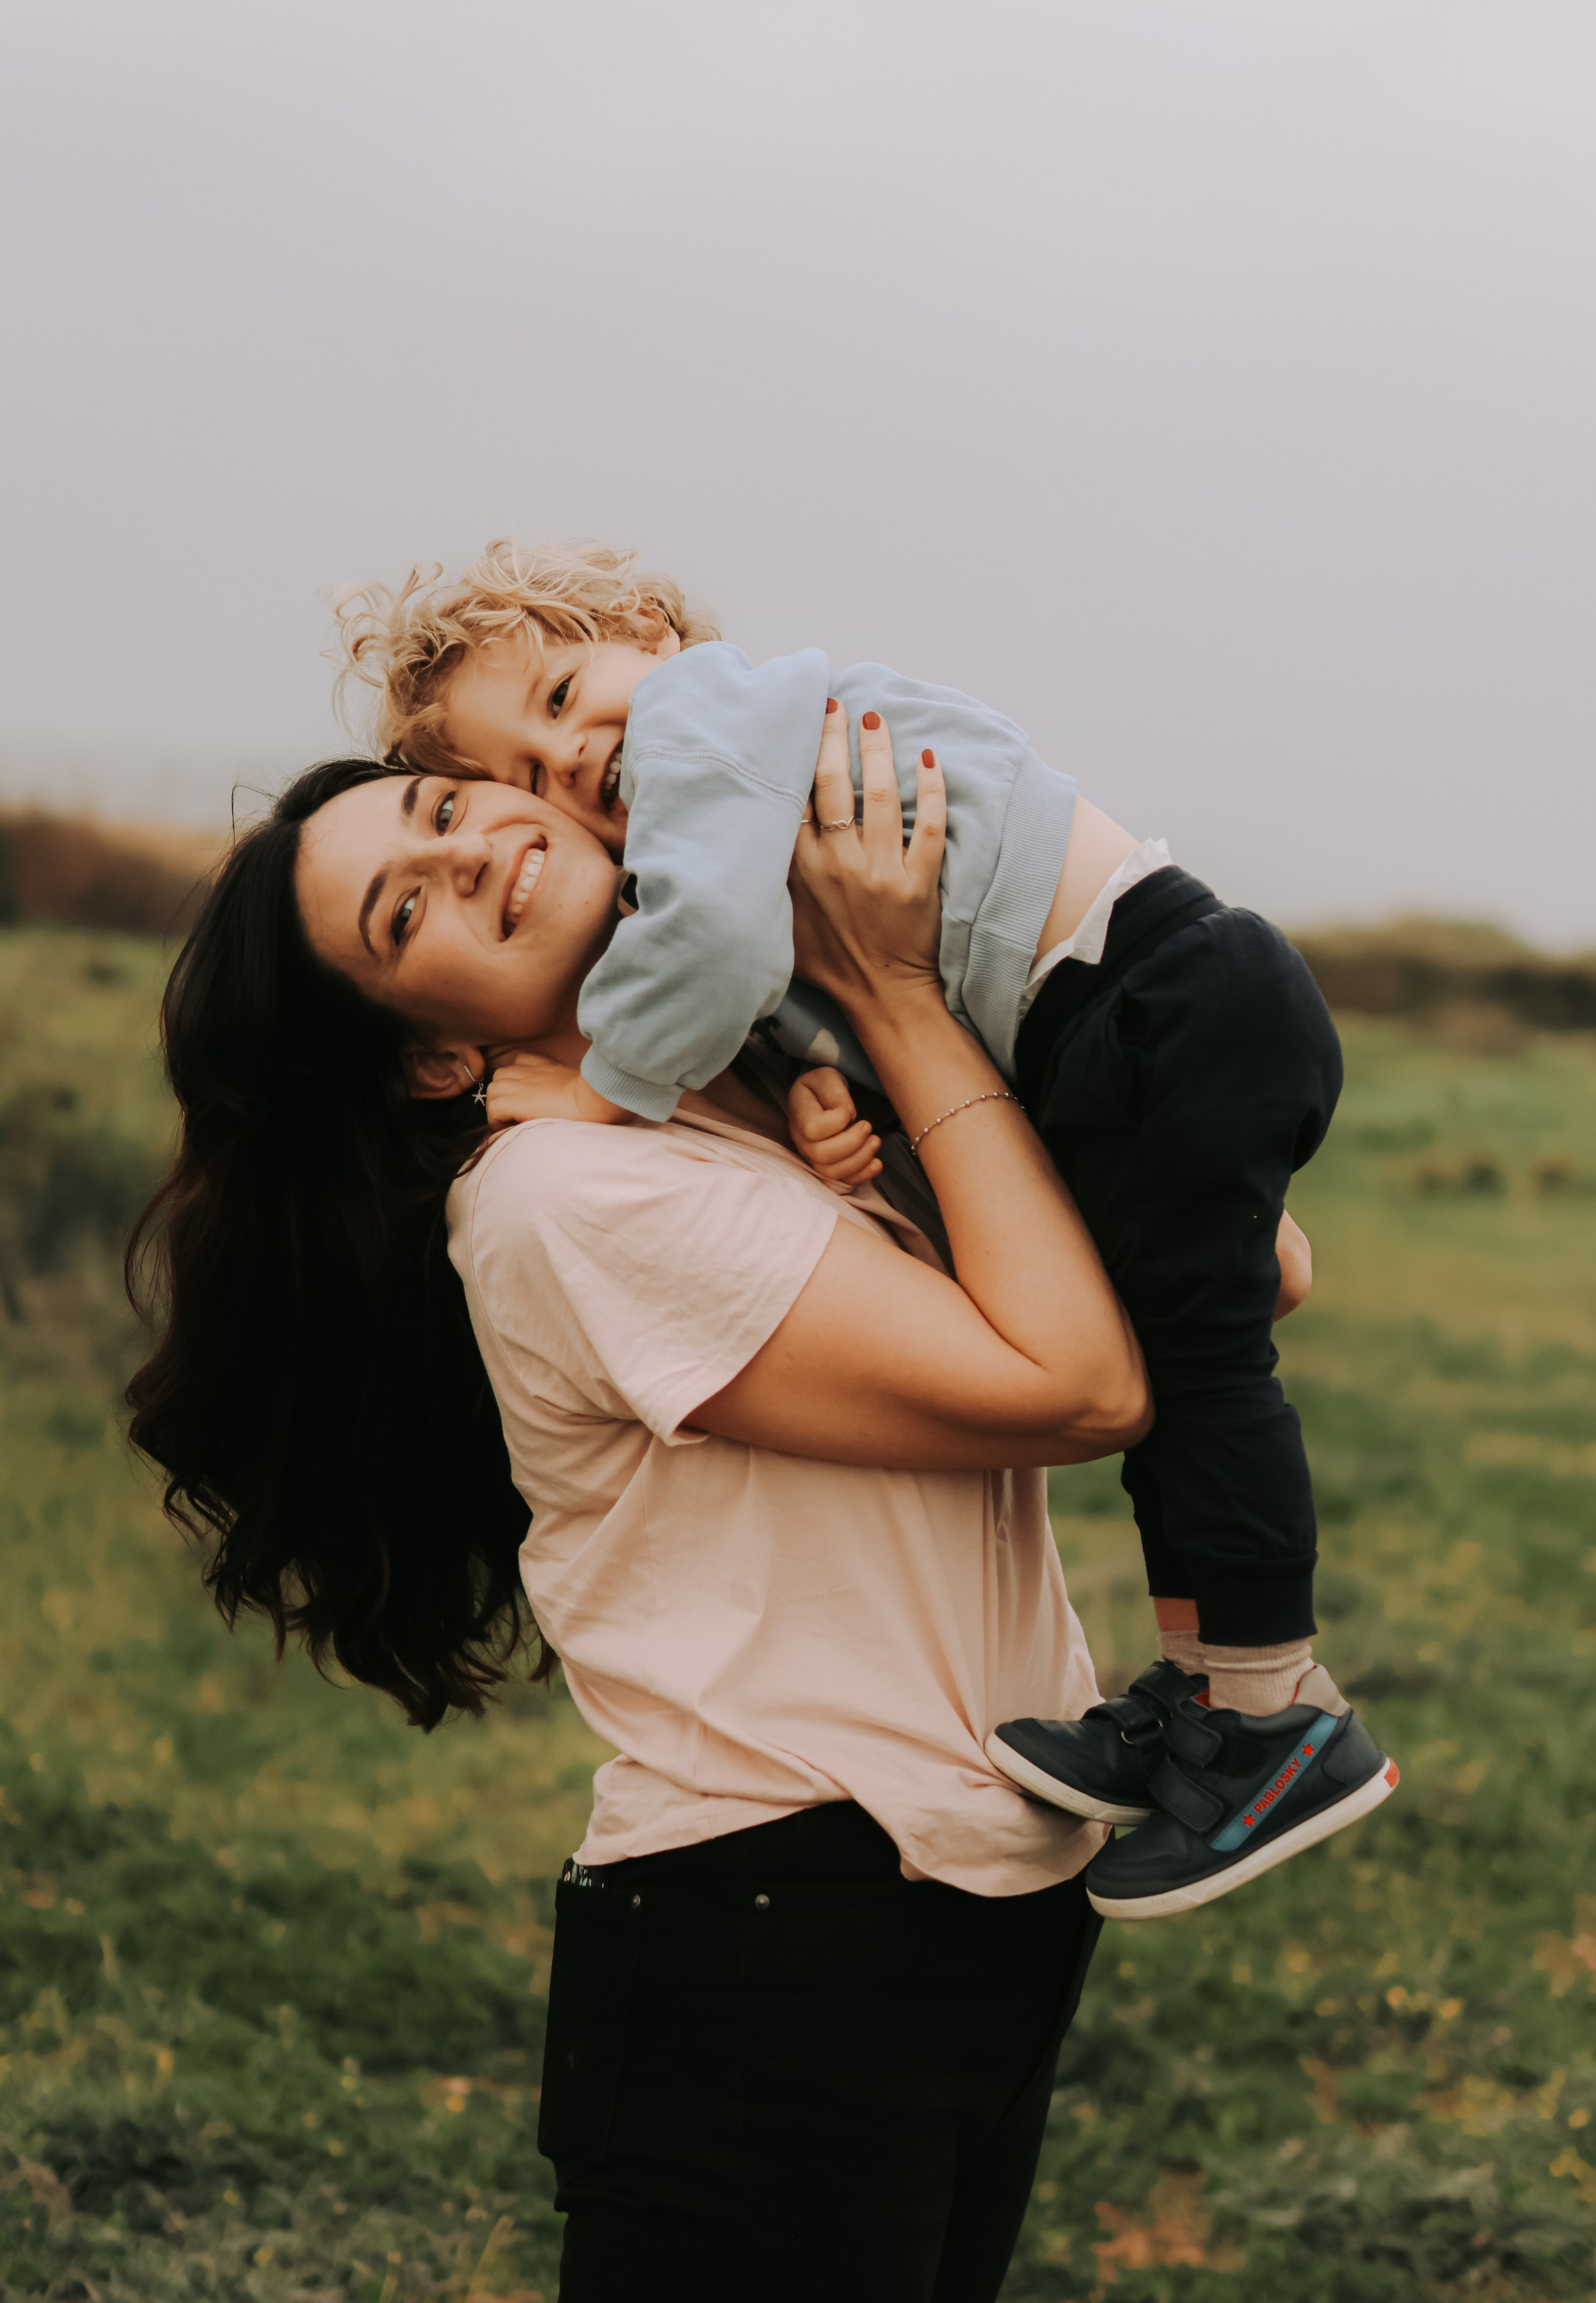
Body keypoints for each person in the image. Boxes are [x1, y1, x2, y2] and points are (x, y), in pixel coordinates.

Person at [128, 718, 1150, 2301]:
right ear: (432, 1058)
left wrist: (863, 1004)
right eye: (408, 915)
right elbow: (1084, 1386)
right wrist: (888, 992)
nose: (463, 852)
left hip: (982, 1906)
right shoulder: (565, 1201)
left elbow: (1240, 1271)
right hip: (782, 1938)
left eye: (443, 807)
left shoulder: (757, 1095)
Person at [332, 539, 1397, 1917]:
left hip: (1147, 992)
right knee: (1196, 1364)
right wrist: (837, 1117)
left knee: (1201, 1377)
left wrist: (603, 1086)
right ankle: (1207, 1692)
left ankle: (1270, 1715)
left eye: (561, 692)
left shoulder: (711, 719)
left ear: (649, 630)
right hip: (1093, 1035)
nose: (567, 762)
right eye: (523, 774)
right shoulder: (708, 855)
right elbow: (805, 992)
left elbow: (718, 949)